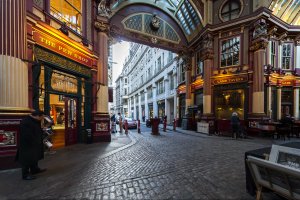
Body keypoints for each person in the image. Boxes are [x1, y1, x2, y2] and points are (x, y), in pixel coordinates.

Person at [16, 110, 47, 180]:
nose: (42, 119)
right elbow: (26, 134)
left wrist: (42, 130)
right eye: (42, 117)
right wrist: (34, 140)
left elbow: (37, 130)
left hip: (35, 143)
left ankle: (35, 169)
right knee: (27, 159)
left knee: (35, 157)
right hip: (27, 144)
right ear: (37, 116)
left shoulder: (36, 120)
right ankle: (25, 174)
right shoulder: (26, 121)